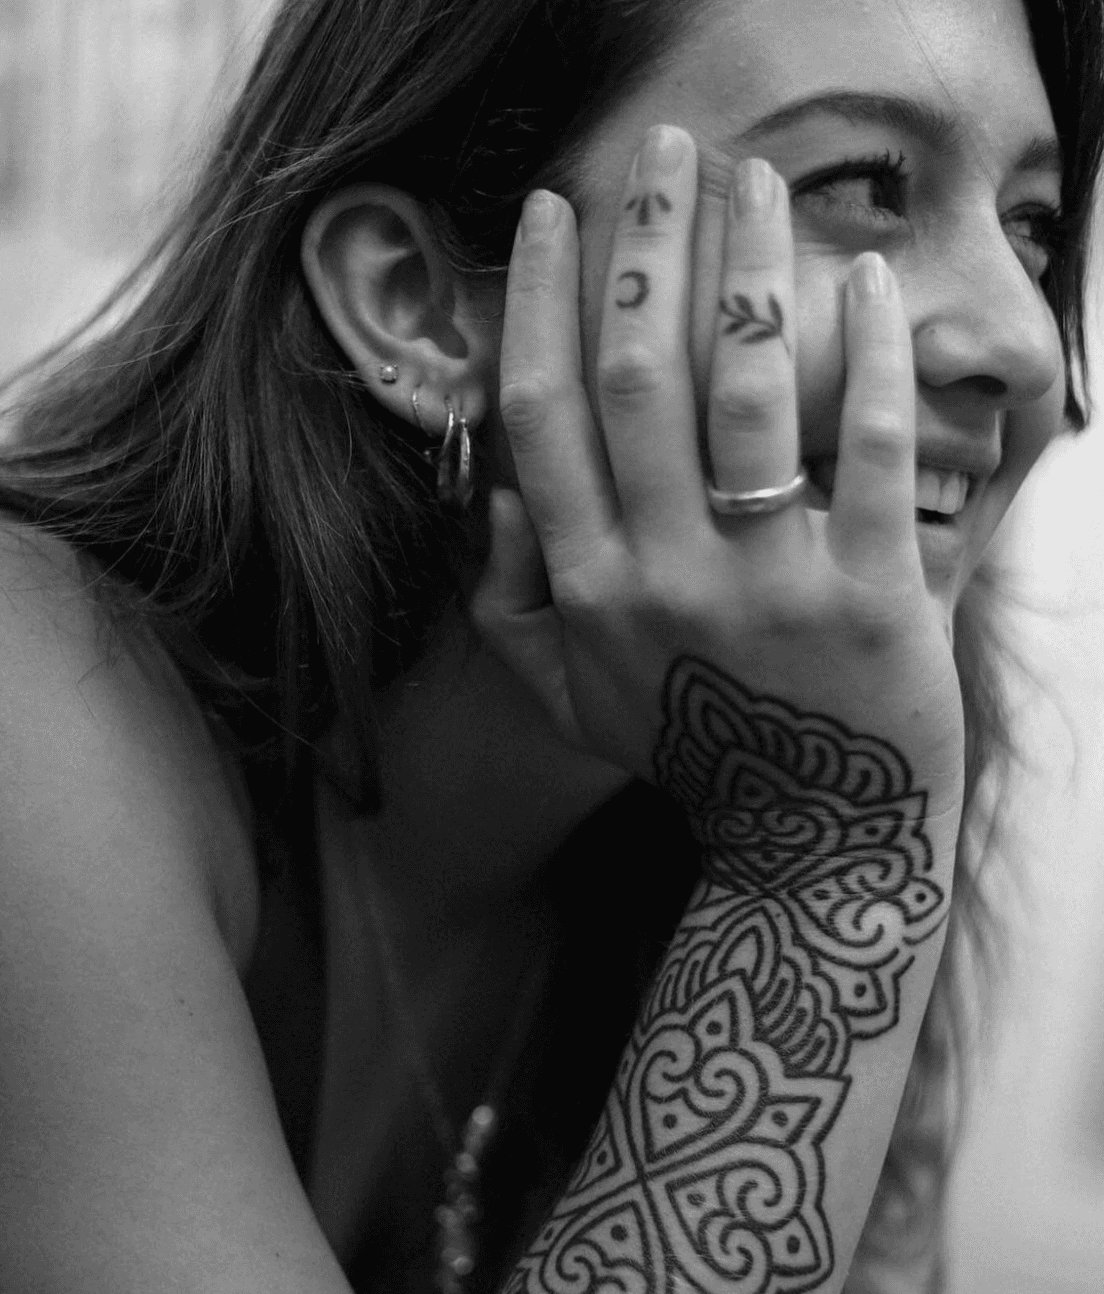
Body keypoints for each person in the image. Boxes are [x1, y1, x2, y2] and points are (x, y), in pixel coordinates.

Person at [0, 1, 1100, 1292]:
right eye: (860, 186)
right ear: (418, 305)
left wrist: (842, 838)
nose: (1026, 343)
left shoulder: (876, 736)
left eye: (1033, 225)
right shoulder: (36, 706)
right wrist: (825, 864)